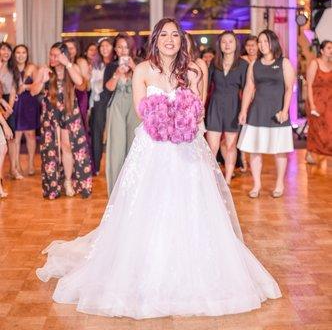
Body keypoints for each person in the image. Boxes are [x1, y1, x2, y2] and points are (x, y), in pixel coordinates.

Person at [36, 18, 281, 319]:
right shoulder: (142, 71)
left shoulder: (191, 70)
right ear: (155, 40)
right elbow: (142, 111)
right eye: (163, 34)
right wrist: (165, 120)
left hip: (186, 148)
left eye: (175, 35)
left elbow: (196, 107)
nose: (169, 39)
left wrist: (183, 117)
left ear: (181, 40)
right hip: (152, 149)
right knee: (148, 208)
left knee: (192, 208)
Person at [238, 30, 295, 198]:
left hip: (278, 113)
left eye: (265, 41)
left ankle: (279, 184)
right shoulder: (254, 64)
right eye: (259, 42)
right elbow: (249, 88)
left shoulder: (283, 62)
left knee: (280, 150)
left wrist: (285, 110)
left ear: (273, 42)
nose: (261, 45)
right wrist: (243, 110)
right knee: (255, 150)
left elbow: (289, 89)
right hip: (257, 112)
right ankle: (256, 185)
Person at [31, 42, 92, 199]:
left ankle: (67, 181)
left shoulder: (72, 68)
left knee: (67, 147)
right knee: (52, 149)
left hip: (68, 112)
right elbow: (33, 91)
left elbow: (81, 85)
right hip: (50, 114)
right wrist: (41, 80)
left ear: (64, 55)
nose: (52, 58)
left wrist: (68, 65)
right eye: (51, 55)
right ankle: (53, 184)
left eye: (56, 55)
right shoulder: (44, 70)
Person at [206, 31, 248, 185]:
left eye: (230, 41)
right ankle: (211, 179)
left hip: (234, 107)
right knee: (212, 146)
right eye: (224, 42)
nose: (227, 45)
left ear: (236, 44)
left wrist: (244, 111)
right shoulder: (214, 63)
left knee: (230, 145)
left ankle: (228, 179)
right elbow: (206, 86)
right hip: (215, 106)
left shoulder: (243, 65)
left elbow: (248, 89)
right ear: (220, 44)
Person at [105, 33, 140, 193]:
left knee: (134, 145)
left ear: (131, 48)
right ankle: (116, 190)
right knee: (116, 147)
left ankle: (134, 188)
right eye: (119, 46)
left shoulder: (140, 65)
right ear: (115, 49)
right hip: (117, 107)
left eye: (126, 46)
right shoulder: (111, 66)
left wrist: (134, 67)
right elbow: (109, 88)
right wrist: (117, 74)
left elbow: (148, 85)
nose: (122, 50)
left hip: (135, 107)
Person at [12, 44, 40, 176]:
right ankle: (16, 164)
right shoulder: (10, 68)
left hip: (29, 102)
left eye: (23, 52)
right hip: (15, 103)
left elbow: (37, 85)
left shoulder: (32, 67)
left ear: (27, 54)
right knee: (15, 136)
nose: (21, 55)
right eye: (18, 52)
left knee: (30, 135)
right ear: (14, 54)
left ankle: (30, 163)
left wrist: (26, 87)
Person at [306, 40, 332, 173]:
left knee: (329, 129)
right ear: (321, 50)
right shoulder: (314, 63)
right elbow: (309, 84)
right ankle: (310, 152)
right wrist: (312, 105)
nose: (331, 50)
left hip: (329, 102)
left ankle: (328, 152)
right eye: (328, 48)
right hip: (316, 100)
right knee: (315, 128)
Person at [89, 37, 114, 174]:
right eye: (102, 46)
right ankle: (96, 166)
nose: (104, 49)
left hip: (114, 100)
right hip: (99, 100)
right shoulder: (95, 64)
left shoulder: (117, 63)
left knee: (113, 134)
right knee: (96, 133)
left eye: (107, 46)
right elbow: (93, 85)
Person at [0, 41, 22, 179]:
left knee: (11, 138)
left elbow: (14, 91)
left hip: (9, 102)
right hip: (1, 99)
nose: (6, 52)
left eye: (8, 50)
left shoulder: (13, 69)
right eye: (3, 49)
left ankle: (13, 169)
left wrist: (9, 109)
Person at [240, 35, 259, 172]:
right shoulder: (241, 60)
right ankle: (242, 160)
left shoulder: (262, 61)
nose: (251, 48)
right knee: (242, 129)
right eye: (248, 45)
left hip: (258, 97)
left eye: (253, 45)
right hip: (243, 95)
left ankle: (254, 160)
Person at [64, 38, 90, 133]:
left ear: (76, 49)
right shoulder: (60, 63)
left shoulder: (80, 62)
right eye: (67, 48)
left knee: (79, 125)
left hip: (79, 96)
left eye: (72, 48)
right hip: (64, 96)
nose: (69, 51)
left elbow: (84, 85)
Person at [185, 32, 208, 105]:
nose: (183, 46)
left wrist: (201, 109)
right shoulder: (174, 63)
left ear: (191, 44)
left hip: (195, 105)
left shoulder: (199, 63)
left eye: (186, 43)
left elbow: (204, 91)